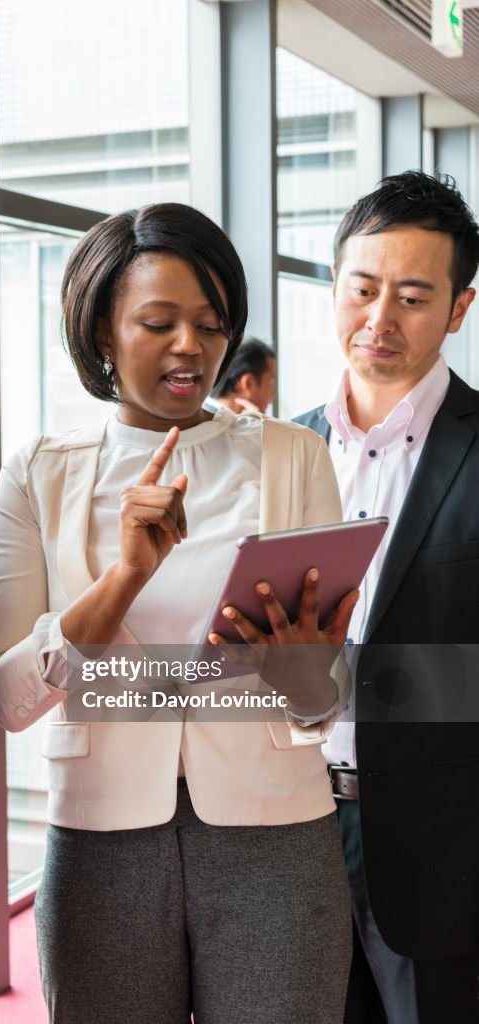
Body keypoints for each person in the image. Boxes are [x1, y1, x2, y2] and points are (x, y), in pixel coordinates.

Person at [0, 202, 359, 1024]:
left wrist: (301, 668)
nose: (191, 347)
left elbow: (322, 706)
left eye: (210, 323)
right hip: (102, 843)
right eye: (158, 322)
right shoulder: (37, 474)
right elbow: (9, 700)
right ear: (101, 333)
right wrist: (120, 578)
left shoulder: (294, 456)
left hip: (276, 836)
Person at [295, 170, 479, 1024]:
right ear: (333, 288)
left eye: (411, 296)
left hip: (440, 850)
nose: (378, 319)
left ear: (458, 309)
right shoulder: (276, 452)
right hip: (283, 836)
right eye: (362, 289)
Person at [211, 336, 276, 413]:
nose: (272, 395)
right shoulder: (233, 424)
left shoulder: (205, 414)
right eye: (270, 383)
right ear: (248, 383)